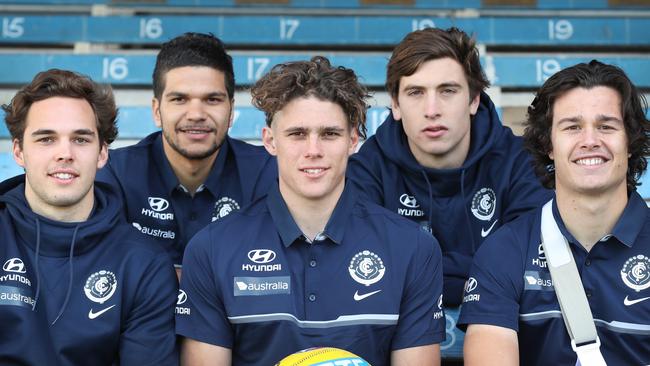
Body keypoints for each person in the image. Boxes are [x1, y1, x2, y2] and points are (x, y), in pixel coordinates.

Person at [175, 56, 445, 366]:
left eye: (329, 134)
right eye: (297, 134)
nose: (313, 150)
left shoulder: (412, 248)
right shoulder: (211, 249)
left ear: (353, 141)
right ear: (270, 141)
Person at [459, 60, 650, 365]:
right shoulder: (505, 250)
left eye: (606, 126)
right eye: (572, 127)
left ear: (630, 141)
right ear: (549, 144)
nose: (590, 141)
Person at [347, 27, 552, 306]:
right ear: (395, 104)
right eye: (416, 92)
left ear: (474, 100)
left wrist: (418, 271)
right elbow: (369, 270)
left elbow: (530, 264)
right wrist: (480, 270)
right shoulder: (368, 169)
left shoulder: (519, 161)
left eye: (447, 91)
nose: (432, 109)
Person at [0, 69, 178, 365]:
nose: (64, 153)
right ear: (18, 151)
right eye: (46, 139)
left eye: (81, 140)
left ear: (102, 153)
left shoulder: (143, 264)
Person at [96, 32, 276, 272]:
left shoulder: (267, 172)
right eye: (179, 99)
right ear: (157, 110)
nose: (196, 114)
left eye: (212, 99)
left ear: (231, 110)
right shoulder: (116, 174)